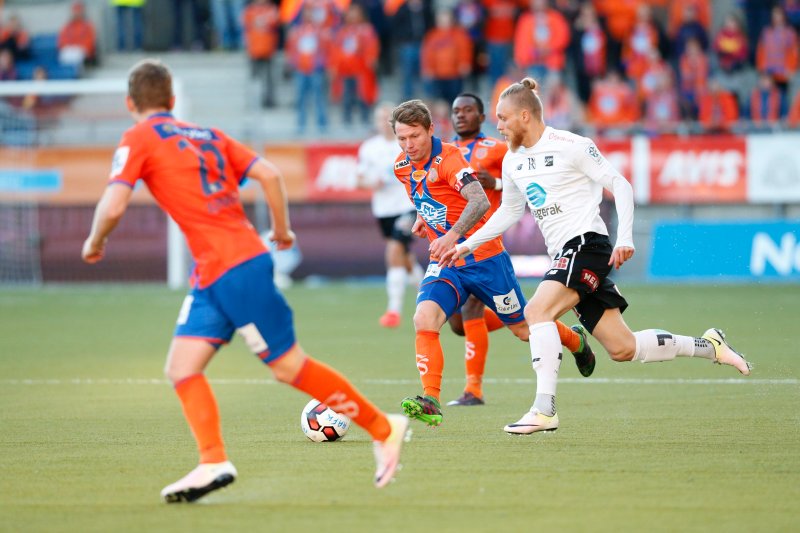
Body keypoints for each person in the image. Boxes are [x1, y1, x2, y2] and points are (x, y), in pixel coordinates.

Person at [81, 59, 409, 502]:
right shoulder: (208, 135)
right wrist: (282, 230)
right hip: (215, 270)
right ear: (173, 102)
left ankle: (384, 428)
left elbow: (115, 205)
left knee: (287, 366)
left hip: (232, 266)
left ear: (129, 104)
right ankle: (212, 461)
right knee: (181, 367)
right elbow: (269, 174)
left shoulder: (138, 136)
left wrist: (95, 240)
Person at [441, 77, 752, 435]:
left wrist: (625, 237)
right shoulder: (513, 161)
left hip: (587, 244)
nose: (498, 125)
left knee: (536, 312)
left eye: (503, 118)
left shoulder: (571, 145)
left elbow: (620, 183)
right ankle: (710, 346)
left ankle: (544, 409)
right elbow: (508, 213)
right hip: (565, 253)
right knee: (624, 348)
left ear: (525, 115)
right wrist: (465, 244)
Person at [390, 99, 585, 427]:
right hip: (447, 262)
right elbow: (428, 196)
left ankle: (576, 340)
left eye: (414, 137)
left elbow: (479, 201)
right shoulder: (400, 166)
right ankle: (431, 399)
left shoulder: (451, 159)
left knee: (523, 329)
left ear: (430, 130)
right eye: (401, 138)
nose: (408, 145)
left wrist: (452, 234)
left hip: (485, 257)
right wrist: (425, 218)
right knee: (425, 318)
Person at [445, 92, 590, 407]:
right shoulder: (447, 152)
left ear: (483, 117)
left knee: (494, 318)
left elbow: (529, 174)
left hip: (485, 247)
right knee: (459, 323)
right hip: (455, 246)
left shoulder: (497, 148)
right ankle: (574, 337)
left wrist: (495, 184)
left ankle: (474, 391)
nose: (460, 115)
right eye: (456, 111)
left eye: (468, 110)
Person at [356, 103, 422, 328]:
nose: (384, 123)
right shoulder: (368, 148)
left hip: (408, 206)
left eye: (388, 118)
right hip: (383, 210)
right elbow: (359, 179)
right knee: (404, 256)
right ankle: (427, 293)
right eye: (380, 118)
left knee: (394, 250)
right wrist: (371, 183)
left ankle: (393, 310)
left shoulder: (405, 144)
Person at [58, 1, 97, 66]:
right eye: (75, 11)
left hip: (82, 49)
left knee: (77, 55)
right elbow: (61, 40)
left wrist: (82, 47)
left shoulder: (88, 26)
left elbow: (90, 41)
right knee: (64, 55)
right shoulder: (67, 26)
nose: (76, 13)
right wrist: (68, 46)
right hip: (70, 49)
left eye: (78, 11)